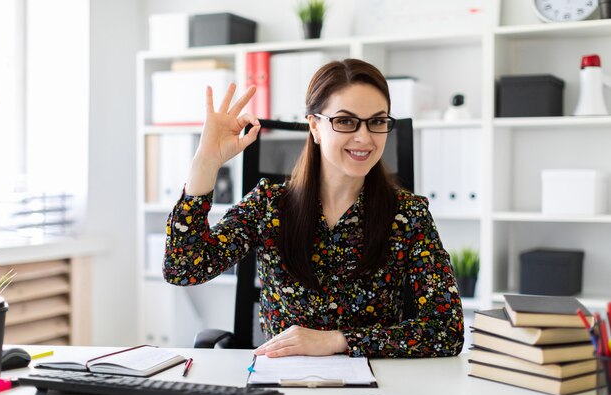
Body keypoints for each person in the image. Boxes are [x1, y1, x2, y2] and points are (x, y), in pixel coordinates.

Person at [163, 58, 464, 359]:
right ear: (315, 126)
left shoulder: (408, 215)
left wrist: (338, 340)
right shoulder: (270, 205)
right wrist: (206, 160)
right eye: (345, 121)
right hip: (284, 385)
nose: (365, 137)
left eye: (377, 121)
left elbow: (447, 331)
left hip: (374, 389)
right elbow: (182, 268)